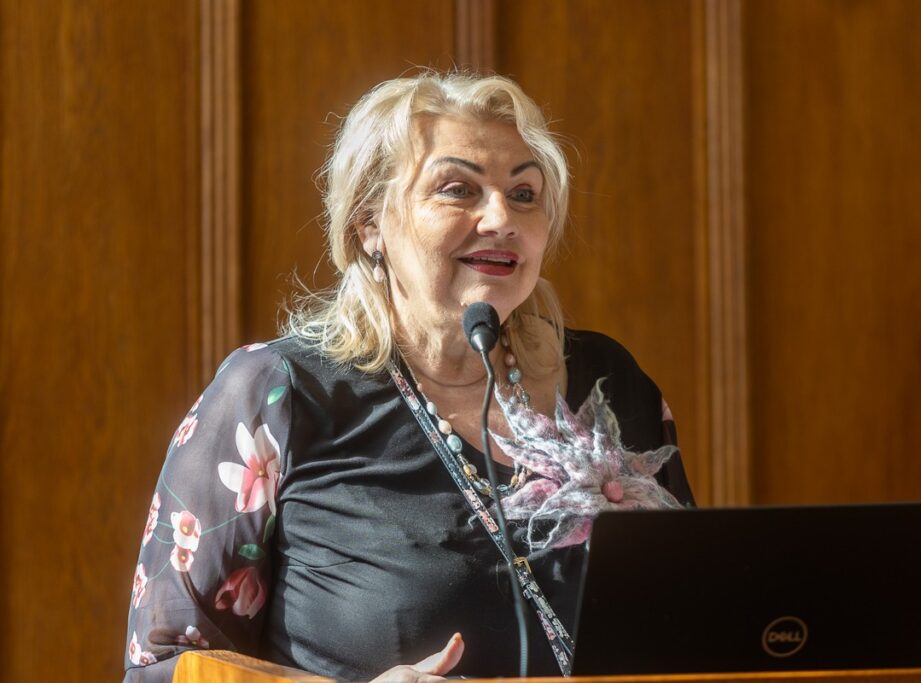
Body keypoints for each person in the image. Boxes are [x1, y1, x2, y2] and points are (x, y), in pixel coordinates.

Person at [123, 71, 695, 683]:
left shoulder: (611, 381)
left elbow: (702, 619)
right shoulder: (277, 392)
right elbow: (161, 666)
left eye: (525, 194)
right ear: (371, 225)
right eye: (458, 189)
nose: (501, 217)